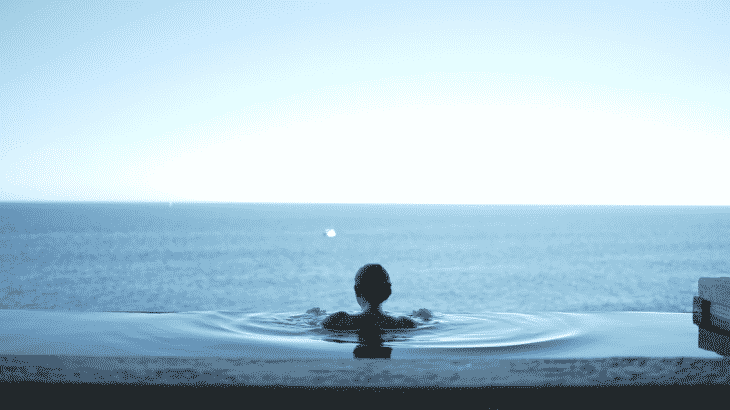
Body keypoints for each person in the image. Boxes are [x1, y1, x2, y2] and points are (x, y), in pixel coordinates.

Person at [322, 264, 417, 331]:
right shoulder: (404, 324)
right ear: (388, 292)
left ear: (356, 290)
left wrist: (314, 314)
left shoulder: (338, 320)